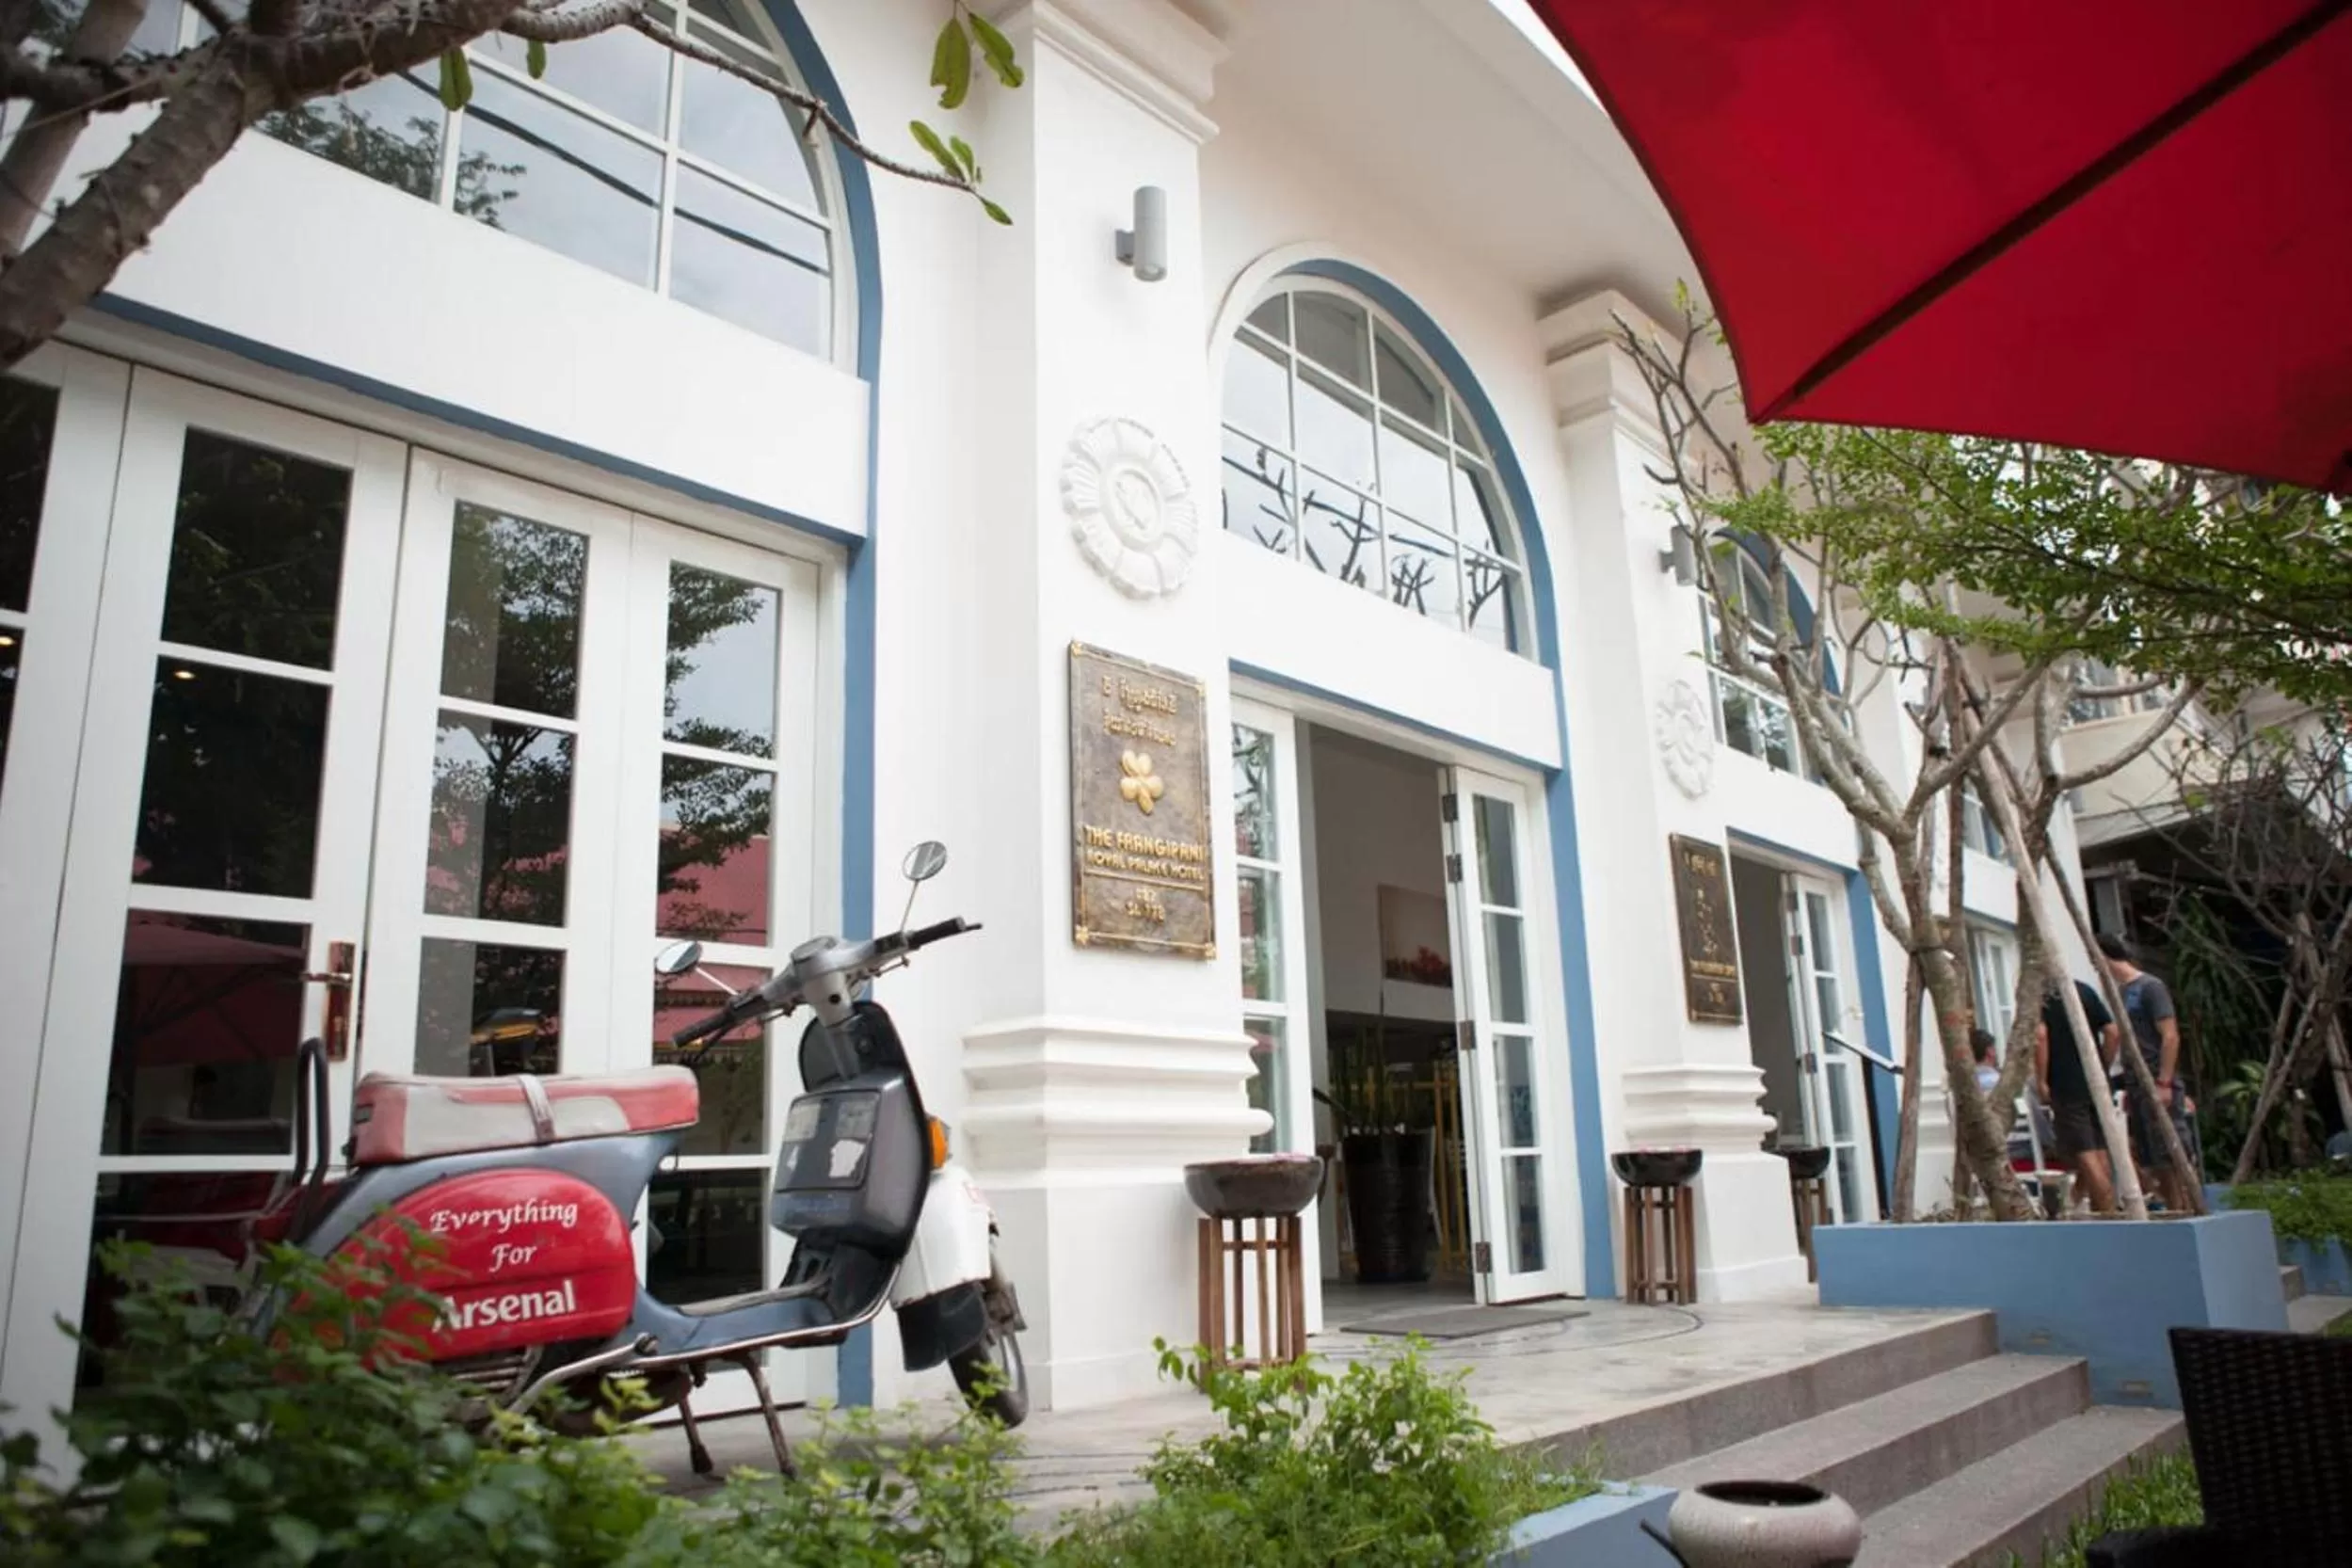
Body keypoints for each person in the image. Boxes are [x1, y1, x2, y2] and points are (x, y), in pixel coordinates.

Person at [2099, 932, 2200, 1213]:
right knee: (2152, 1153)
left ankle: (2189, 1207)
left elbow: (2170, 1036)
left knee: (2172, 1148)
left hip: (2155, 1075)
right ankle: (2173, 1207)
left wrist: (2164, 1081)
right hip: (2135, 1080)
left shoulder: (2150, 987)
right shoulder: (2120, 992)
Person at [2036, 974, 2120, 1213]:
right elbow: (2113, 1032)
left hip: (2066, 1083)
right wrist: (2102, 1065)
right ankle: (2102, 1210)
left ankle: (2107, 1211)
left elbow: (2040, 1037)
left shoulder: (2042, 997)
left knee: (2084, 1152)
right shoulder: (2084, 990)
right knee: (2100, 1149)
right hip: (2096, 1083)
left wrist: (2041, 1080)